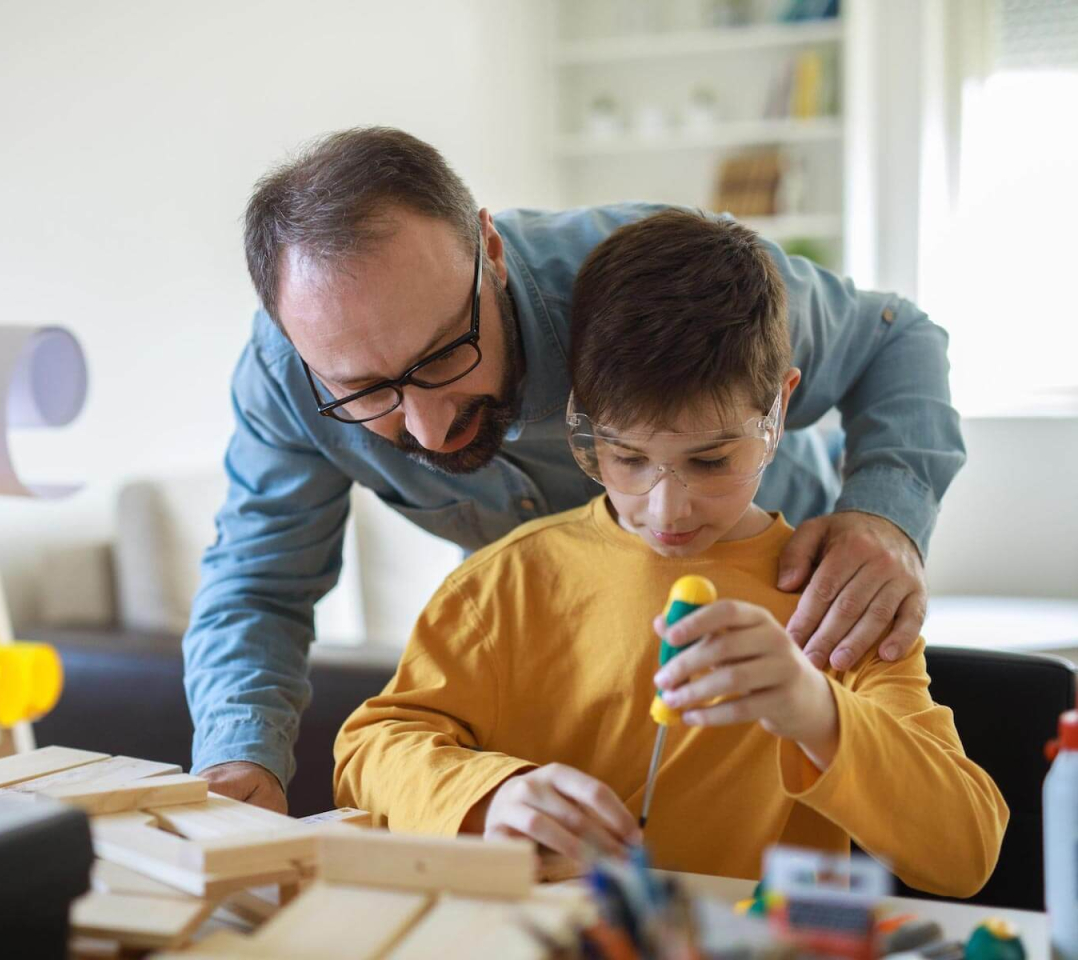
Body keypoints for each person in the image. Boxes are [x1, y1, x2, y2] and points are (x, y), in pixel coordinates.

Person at [187, 127, 963, 814]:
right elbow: (258, 587)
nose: (430, 427)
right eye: (365, 391)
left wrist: (885, 514)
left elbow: (897, 339)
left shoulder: (663, 283)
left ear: (489, 253)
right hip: (556, 649)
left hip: (795, 617)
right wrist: (238, 759)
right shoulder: (286, 383)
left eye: (442, 356)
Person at [332, 209, 1005, 895]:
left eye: (711, 460)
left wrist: (817, 711)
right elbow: (369, 750)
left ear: (779, 409)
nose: (667, 508)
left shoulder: (837, 602)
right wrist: (487, 797)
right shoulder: (505, 584)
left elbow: (966, 851)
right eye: (625, 458)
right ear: (583, 417)